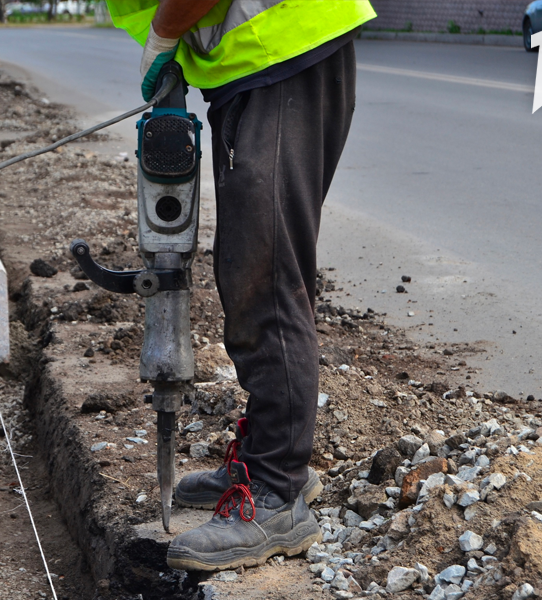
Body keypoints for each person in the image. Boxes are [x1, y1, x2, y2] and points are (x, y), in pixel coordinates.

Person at [105, 0, 377, 571]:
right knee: (258, 266)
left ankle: (277, 495)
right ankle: (266, 461)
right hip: (266, 64)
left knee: (265, 278)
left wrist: (163, 33)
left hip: (282, 55)